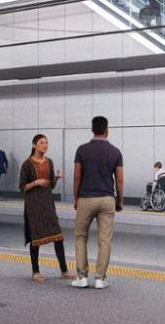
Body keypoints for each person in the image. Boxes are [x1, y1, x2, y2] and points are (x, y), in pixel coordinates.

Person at [71, 115, 123, 289]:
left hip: (86, 198)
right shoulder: (115, 152)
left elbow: (77, 176)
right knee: (105, 240)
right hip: (107, 199)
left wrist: (75, 198)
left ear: (92, 130)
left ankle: (82, 277)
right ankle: (100, 279)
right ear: (107, 130)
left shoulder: (82, 150)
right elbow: (120, 180)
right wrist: (119, 201)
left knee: (80, 237)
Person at [20, 134, 67, 282]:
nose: (45, 145)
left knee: (58, 236)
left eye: (46, 143)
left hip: (47, 203)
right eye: (42, 143)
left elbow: (51, 185)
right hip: (33, 205)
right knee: (36, 238)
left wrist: (57, 178)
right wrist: (36, 182)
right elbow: (22, 187)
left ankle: (64, 270)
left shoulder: (49, 162)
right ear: (34, 145)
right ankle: (35, 271)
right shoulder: (27, 164)